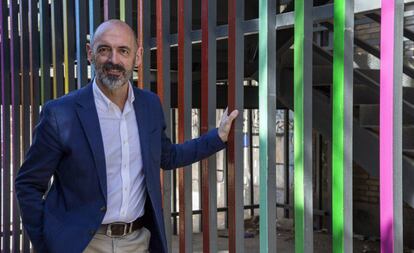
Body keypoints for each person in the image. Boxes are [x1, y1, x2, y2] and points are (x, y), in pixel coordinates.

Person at [15, 19, 238, 253]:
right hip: (83, 245)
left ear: (138, 56)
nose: (114, 60)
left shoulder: (149, 106)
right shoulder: (61, 113)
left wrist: (218, 137)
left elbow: (167, 156)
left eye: (123, 51)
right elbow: (28, 184)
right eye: (104, 50)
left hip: (137, 241)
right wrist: (46, 244)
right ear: (90, 54)